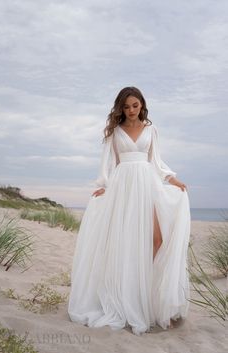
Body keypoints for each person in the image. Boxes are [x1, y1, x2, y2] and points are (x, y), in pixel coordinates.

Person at [68, 86, 191, 335]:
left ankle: (150, 300)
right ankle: (127, 299)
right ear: (120, 108)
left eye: (135, 105)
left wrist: (172, 179)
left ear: (142, 105)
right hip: (123, 187)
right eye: (126, 106)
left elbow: (156, 161)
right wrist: (103, 186)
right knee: (125, 243)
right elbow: (109, 163)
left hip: (147, 185)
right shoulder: (115, 132)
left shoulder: (151, 130)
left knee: (157, 240)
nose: (131, 110)